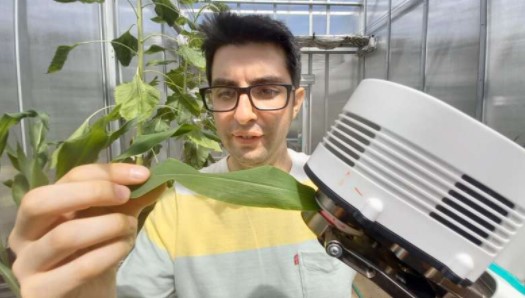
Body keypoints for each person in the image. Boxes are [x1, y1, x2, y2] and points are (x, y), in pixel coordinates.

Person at [8, 12, 356, 298]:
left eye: (265, 90)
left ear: (295, 102)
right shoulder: (179, 204)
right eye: (224, 92)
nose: (244, 114)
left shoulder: (337, 192)